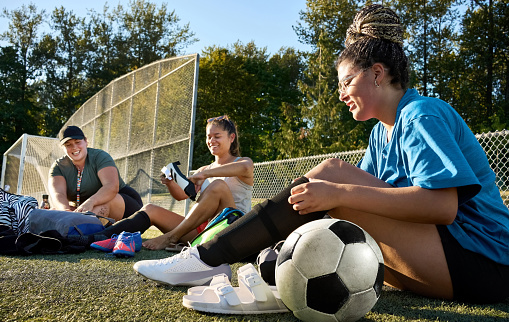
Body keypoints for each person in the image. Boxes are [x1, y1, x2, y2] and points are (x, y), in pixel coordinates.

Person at [132, 4, 509, 304]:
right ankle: (265, 263)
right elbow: (363, 211)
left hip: (485, 261)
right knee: (324, 201)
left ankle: (207, 257)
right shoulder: (381, 134)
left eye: (346, 82)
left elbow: (443, 207)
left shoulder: (421, 114)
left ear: (378, 74)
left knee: (333, 176)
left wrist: (338, 193)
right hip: (444, 259)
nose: (341, 94)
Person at [92, 115, 254, 250]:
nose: (212, 141)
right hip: (205, 232)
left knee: (218, 186)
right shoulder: (204, 169)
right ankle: (95, 238)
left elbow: (246, 167)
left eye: (217, 136)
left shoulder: (242, 162)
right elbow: (182, 196)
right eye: (208, 137)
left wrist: (205, 174)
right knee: (150, 209)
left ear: (231, 137)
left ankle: (171, 237)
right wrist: (170, 183)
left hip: (233, 231)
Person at [49, 126, 142, 221]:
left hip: (126, 204)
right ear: (62, 148)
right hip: (86, 208)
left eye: (77, 142)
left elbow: (111, 186)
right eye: (68, 145)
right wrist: (66, 211)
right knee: (54, 211)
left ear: (85, 141)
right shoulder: (58, 166)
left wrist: (91, 202)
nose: (74, 147)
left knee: (98, 208)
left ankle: (80, 228)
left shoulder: (100, 156)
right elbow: (58, 194)